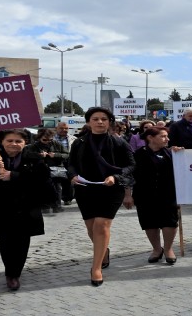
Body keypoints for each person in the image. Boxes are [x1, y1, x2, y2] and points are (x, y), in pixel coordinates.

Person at [0, 129, 54, 291]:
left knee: (22, 241)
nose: (14, 144)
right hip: (0, 207)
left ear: (25, 143)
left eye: (18, 141)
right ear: (2, 142)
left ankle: (14, 274)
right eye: (9, 141)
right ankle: (9, 269)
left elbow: (42, 180)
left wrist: (14, 176)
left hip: (25, 208)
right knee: (5, 241)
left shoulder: (33, 158)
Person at [68, 107, 135, 286]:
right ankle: (103, 251)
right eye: (95, 119)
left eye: (104, 119)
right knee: (91, 228)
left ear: (109, 122)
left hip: (111, 189)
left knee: (101, 225)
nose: (99, 122)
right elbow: (71, 164)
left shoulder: (119, 142)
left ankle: (96, 268)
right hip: (85, 189)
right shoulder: (79, 143)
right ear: (89, 122)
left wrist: (116, 177)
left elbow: (131, 165)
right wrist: (72, 176)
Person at [126, 126, 182, 264]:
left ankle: (168, 249)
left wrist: (181, 154)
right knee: (150, 223)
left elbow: (185, 170)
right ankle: (157, 249)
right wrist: (127, 194)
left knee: (170, 222)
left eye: (167, 136)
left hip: (168, 194)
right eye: (163, 136)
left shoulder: (171, 153)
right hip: (144, 194)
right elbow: (128, 176)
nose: (167, 139)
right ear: (150, 138)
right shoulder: (137, 155)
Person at [25, 128, 68, 213]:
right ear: (39, 138)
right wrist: (39, 155)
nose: (48, 141)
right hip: (40, 170)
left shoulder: (56, 144)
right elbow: (27, 155)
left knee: (57, 188)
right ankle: (45, 206)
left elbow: (67, 154)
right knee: (42, 188)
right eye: (45, 139)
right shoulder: (33, 146)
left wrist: (56, 155)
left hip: (55, 169)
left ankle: (57, 206)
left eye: (50, 139)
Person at [54, 122, 77, 205]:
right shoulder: (51, 138)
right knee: (56, 181)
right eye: (61, 128)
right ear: (56, 129)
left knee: (68, 181)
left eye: (66, 128)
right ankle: (56, 200)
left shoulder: (73, 138)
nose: (64, 130)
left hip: (69, 162)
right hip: (56, 162)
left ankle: (67, 198)